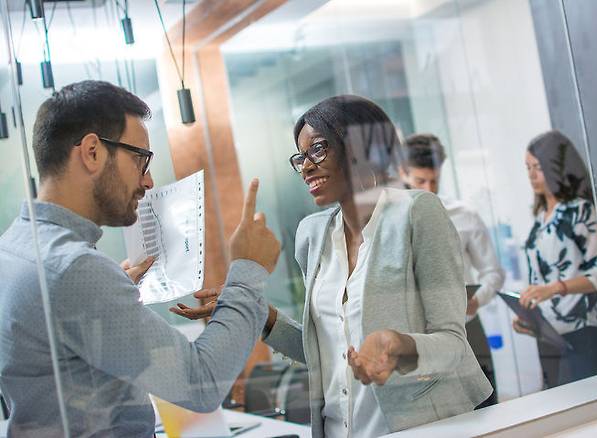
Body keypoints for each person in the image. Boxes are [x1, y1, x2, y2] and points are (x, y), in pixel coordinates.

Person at [173, 95, 492, 437]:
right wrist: (258, 313)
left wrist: (397, 345)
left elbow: (453, 345)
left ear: (359, 148)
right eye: (301, 157)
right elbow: (322, 353)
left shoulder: (417, 213)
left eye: (319, 150)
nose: (307, 166)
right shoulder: (313, 235)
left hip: (413, 428)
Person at [0, 80, 280, 437]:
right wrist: (248, 270)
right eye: (140, 160)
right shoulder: (75, 269)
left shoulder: (15, 246)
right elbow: (202, 382)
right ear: (92, 152)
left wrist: (105, 296)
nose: (148, 181)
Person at [514, 130, 597, 387]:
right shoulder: (540, 218)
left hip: (582, 335)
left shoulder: (579, 211)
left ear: (556, 167)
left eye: (538, 167)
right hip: (549, 338)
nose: (531, 175)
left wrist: (556, 288)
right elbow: (542, 280)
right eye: (528, 168)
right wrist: (529, 317)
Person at [398, 133, 505, 316]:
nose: (428, 189)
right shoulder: (389, 222)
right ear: (403, 173)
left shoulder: (466, 216)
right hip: (415, 333)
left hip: (465, 327)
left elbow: (493, 273)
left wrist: (477, 300)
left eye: (434, 181)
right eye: (420, 181)